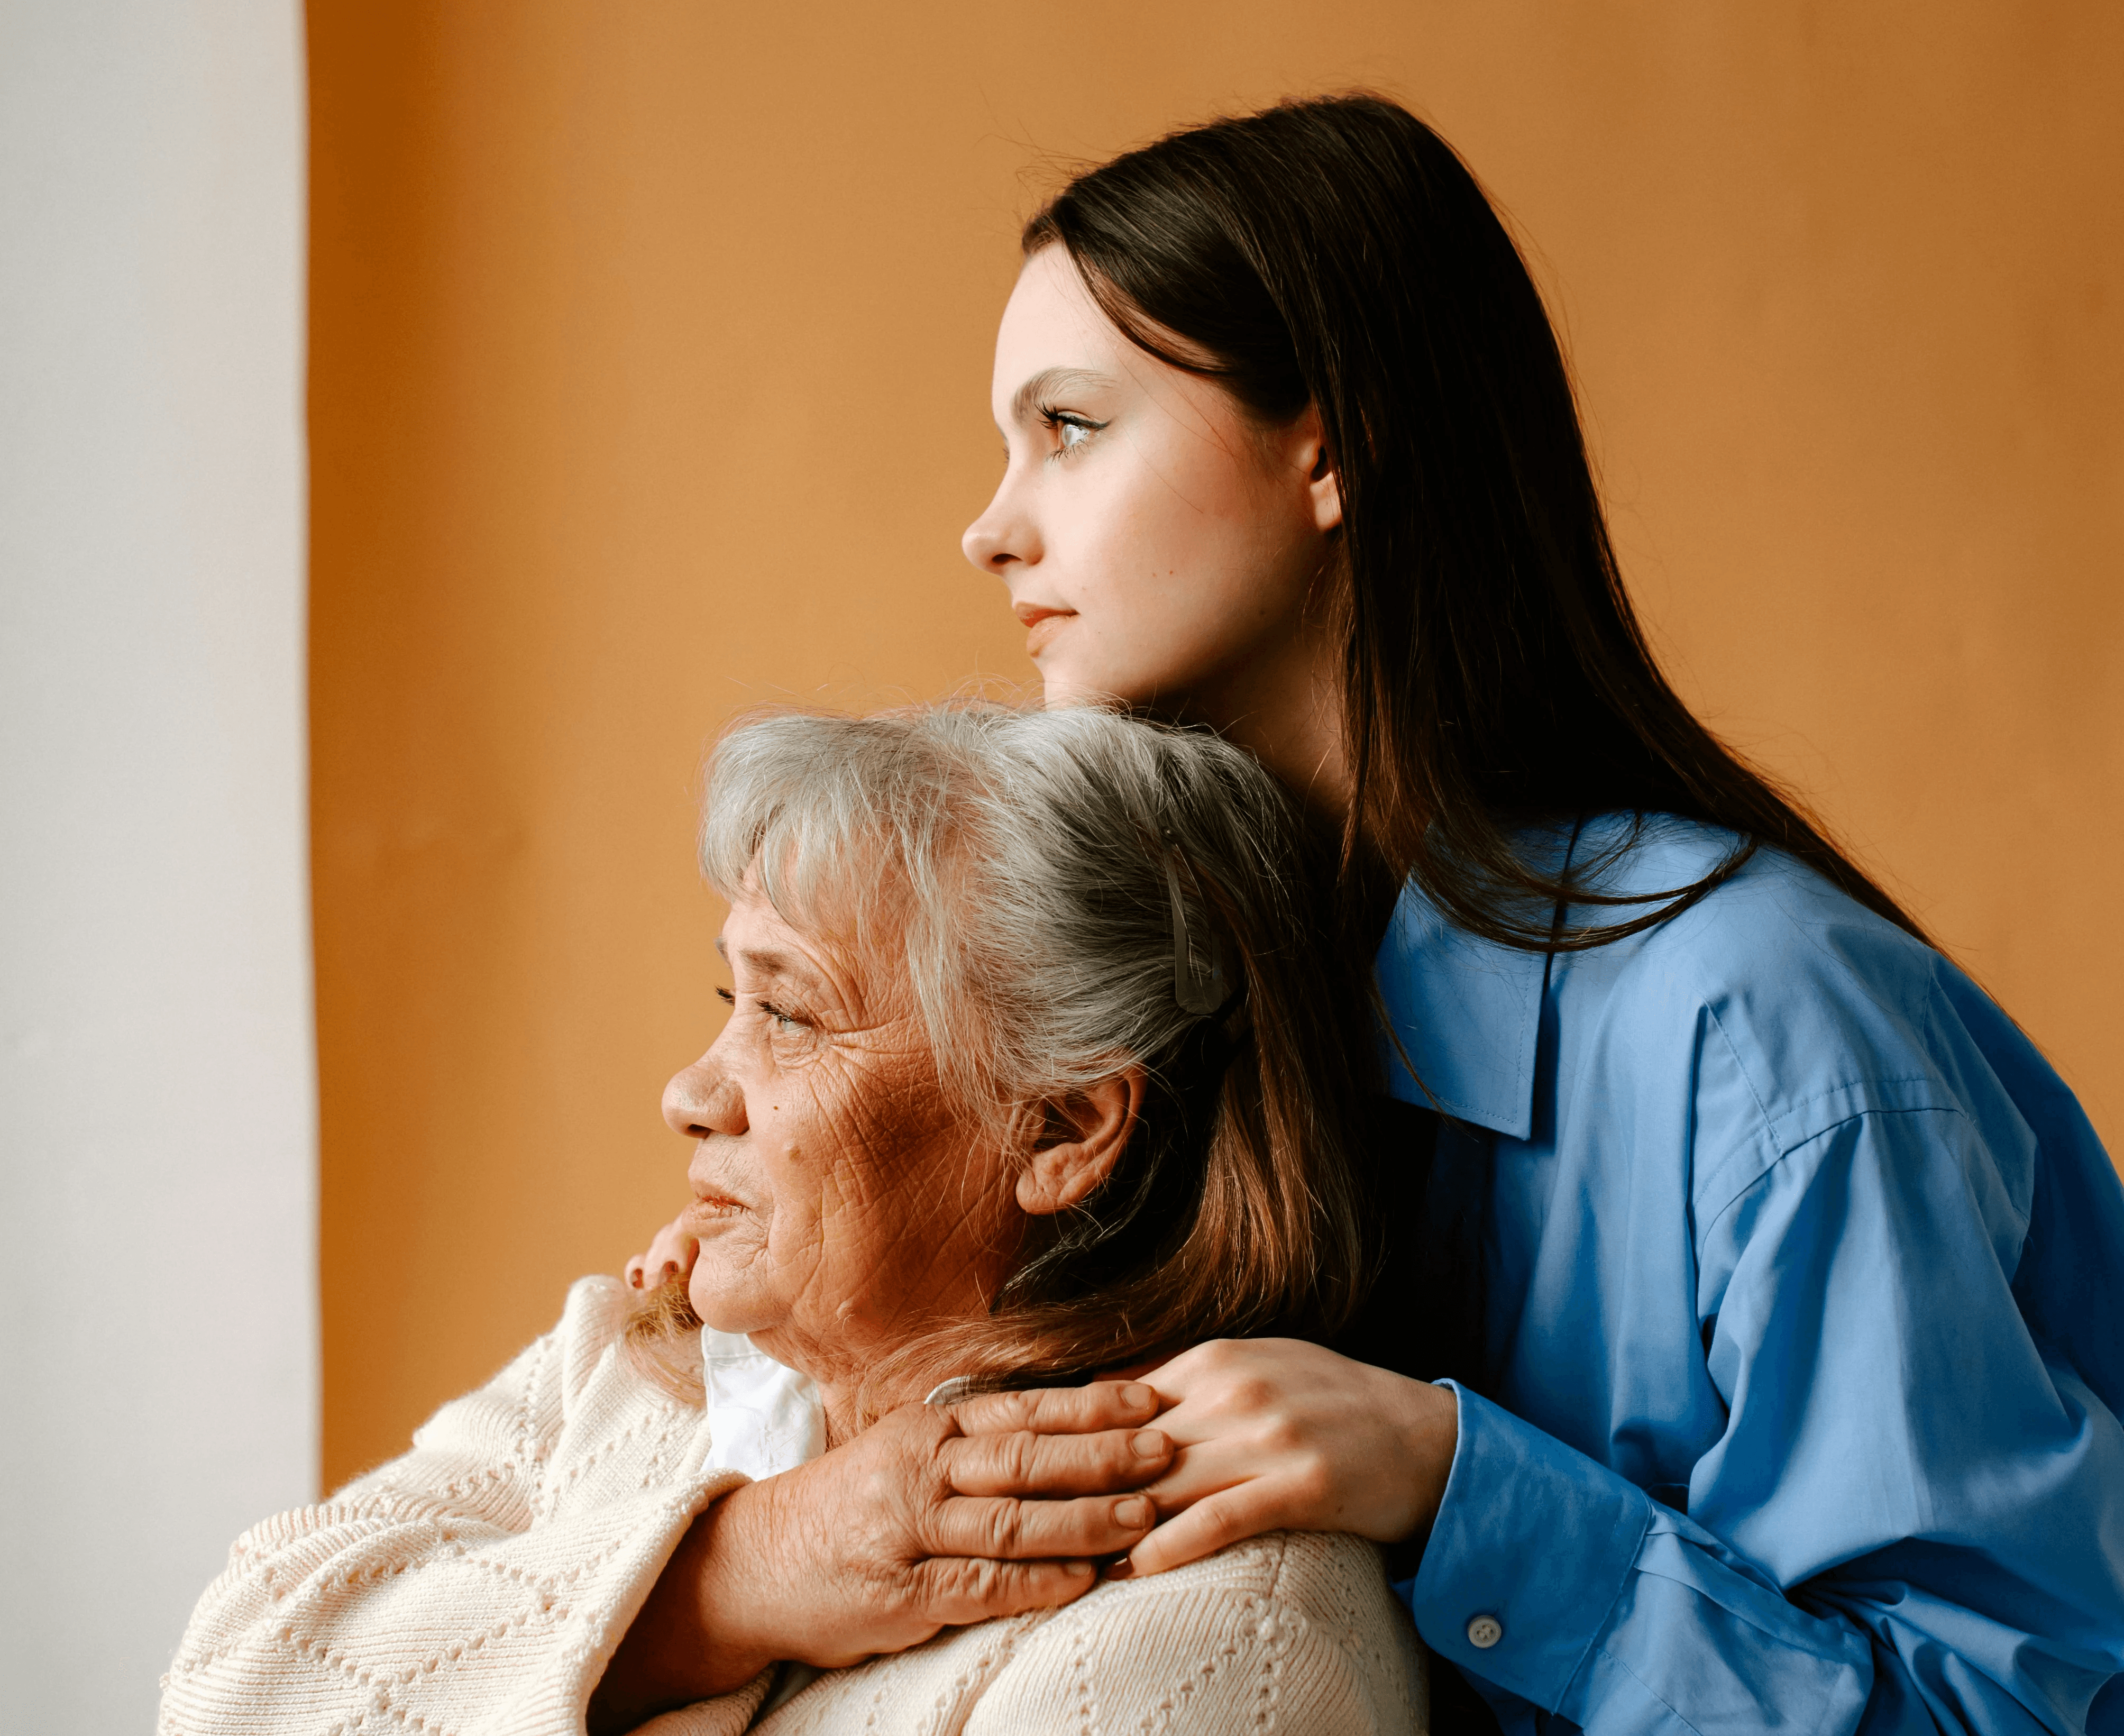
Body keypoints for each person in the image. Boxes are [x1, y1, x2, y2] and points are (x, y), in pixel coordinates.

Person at [632, 95, 2124, 1732]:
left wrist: (1449, 1478)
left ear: (1328, 443)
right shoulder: (1182, 998)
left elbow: (2007, 1712)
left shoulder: (1765, 1031)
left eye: (1071, 426)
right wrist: (785, 1355)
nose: (993, 527)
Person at [161, 703, 1430, 1734]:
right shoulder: (624, 1366)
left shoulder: (1210, 1638)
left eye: (790, 1015)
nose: (689, 1093)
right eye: (731, 996)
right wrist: (733, 1577)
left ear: (1058, 1128)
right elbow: (224, 1689)